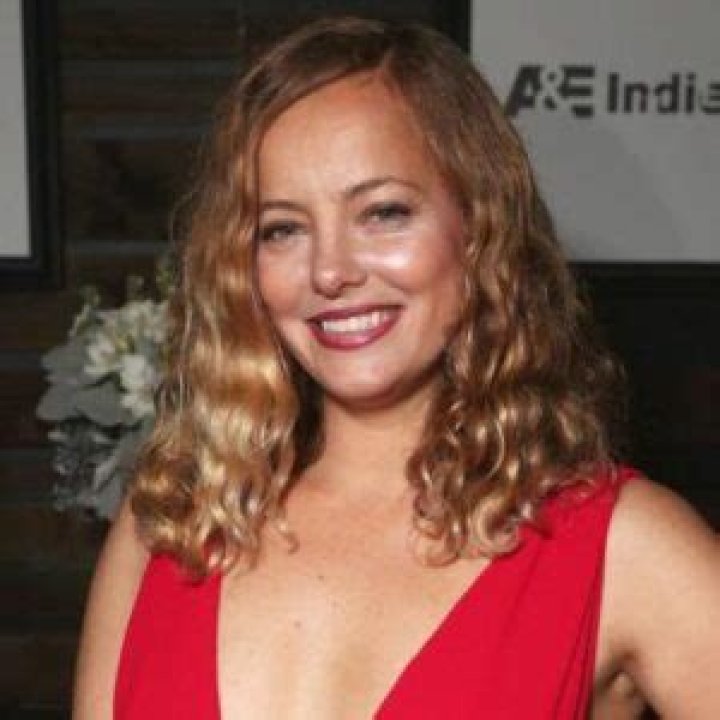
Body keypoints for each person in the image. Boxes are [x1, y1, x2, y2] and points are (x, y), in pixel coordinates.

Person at [73, 16, 720, 719]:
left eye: (383, 213)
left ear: (479, 226)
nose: (329, 271)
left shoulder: (623, 550)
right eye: (282, 229)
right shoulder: (168, 525)